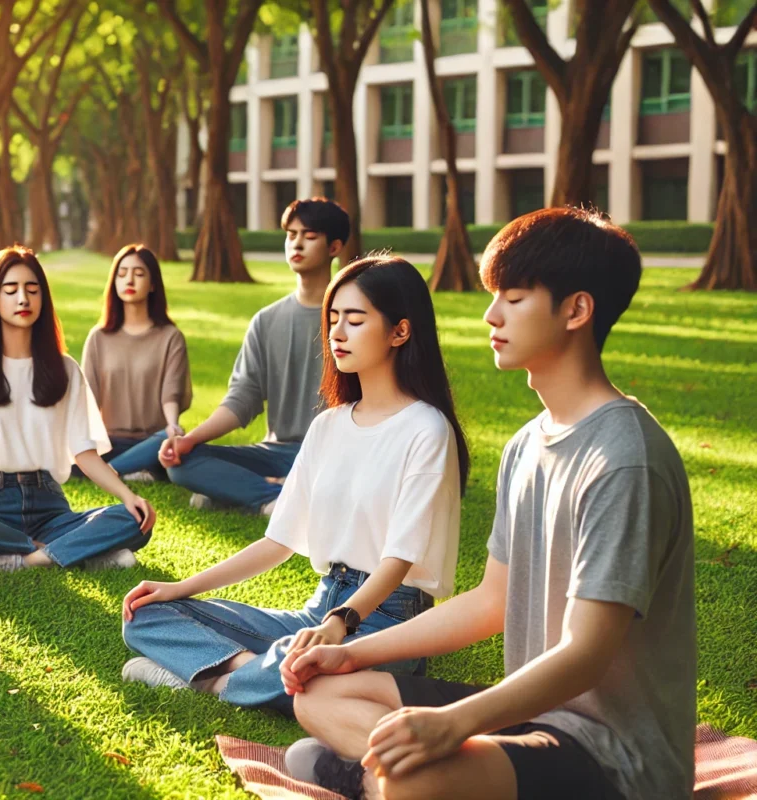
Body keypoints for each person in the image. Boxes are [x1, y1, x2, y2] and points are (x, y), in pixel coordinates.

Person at [283, 208, 694, 800]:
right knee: (321, 692)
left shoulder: (624, 460)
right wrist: (349, 651)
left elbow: (585, 654)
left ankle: (378, 779)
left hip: (613, 758)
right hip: (532, 716)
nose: (490, 315)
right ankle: (388, 778)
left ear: (577, 310)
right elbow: (490, 602)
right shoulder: (527, 444)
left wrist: (455, 724)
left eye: (515, 298)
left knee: (414, 778)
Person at [120, 256, 467, 716]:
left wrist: (342, 624)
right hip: (319, 607)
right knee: (145, 615)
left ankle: (211, 678)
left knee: (329, 680)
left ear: (400, 331)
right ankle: (248, 675)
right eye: (333, 318)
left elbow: (399, 560)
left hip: (388, 620)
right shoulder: (328, 427)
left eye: (356, 319)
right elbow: (277, 542)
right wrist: (180, 588)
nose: (337, 333)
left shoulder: (427, 429)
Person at [0, 246, 157, 574]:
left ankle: (22, 560)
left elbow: (85, 452)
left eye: (32, 290)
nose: (23, 299)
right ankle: (82, 555)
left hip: (51, 509)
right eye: (11, 290)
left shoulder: (64, 369)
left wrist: (128, 496)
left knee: (131, 519)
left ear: (43, 299)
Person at [159, 198, 349, 514]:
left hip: (336, 453)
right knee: (184, 464)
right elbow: (242, 400)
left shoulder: (353, 317)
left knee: (344, 477)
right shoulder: (266, 320)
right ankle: (271, 497)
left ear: (334, 247)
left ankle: (242, 493)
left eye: (310, 235)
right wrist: (189, 440)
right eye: (291, 234)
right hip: (275, 452)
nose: (297, 243)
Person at [78, 244, 191, 482]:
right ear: (114, 282)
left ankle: (107, 473)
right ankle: (126, 470)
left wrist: (173, 426)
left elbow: (171, 394)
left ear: (152, 285)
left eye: (138, 274)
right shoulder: (98, 337)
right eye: (122, 274)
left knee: (169, 447)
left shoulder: (170, 337)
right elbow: (88, 400)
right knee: (65, 455)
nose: (129, 280)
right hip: (108, 442)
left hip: (152, 441)